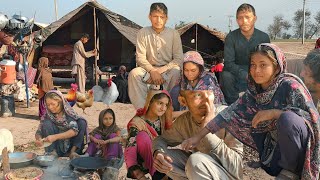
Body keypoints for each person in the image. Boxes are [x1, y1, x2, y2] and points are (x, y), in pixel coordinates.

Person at [182, 43, 320, 179]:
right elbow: (228, 114)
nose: (256, 70)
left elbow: (312, 120)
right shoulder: (254, 92)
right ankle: (270, 164)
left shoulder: (290, 86)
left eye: (263, 65)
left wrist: (275, 113)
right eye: (253, 65)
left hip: (300, 155)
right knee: (249, 119)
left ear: (277, 67)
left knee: (288, 119)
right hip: (275, 153)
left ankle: (290, 172)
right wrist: (197, 137)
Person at [153, 90, 243, 179]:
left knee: (196, 162)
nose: (206, 99)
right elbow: (162, 139)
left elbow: (237, 168)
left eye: (209, 92)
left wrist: (207, 131)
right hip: (201, 173)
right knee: (164, 157)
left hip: (227, 175)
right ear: (183, 101)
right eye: (198, 95)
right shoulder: (185, 120)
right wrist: (158, 152)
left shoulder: (229, 117)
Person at [128, 2, 183, 109]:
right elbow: (140, 58)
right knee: (134, 74)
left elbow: (178, 58)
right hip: (148, 71)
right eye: (155, 16)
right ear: (149, 17)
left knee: (176, 71)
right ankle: (143, 110)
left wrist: (160, 71)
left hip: (167, 72)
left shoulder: (174, 34)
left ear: (166, 18)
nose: (158, 20)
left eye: (162, 17)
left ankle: (169, 108)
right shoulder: (142, 32)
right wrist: (152, 71)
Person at [221, 3, 270, 104]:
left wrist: (255, 72)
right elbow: (229, 63)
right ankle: (233, 105)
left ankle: (263, 102)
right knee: (225, 75)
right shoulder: (231, 37)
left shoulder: (264, 37)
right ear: (236, 20)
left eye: (248, 17)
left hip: (257, 70)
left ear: (255, 18)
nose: (244, 21)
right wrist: (244, 74)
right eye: (240, 18)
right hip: (237, 72)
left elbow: (267, 61)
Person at [125, 90, 173, 180]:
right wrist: (134, 170)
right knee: (143, 136)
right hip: (145, 163)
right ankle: (157, 174)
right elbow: (130, 147)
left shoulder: (162, 119)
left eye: (166, 105)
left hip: (161, 156)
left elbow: (173, 115)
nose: (163, 108)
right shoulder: (137, 122)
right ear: (150, 102)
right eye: (160, 103)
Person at [35, 90, 88, 159]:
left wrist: (55, 137)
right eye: (48, 105)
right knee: (46, 123)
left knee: (81, 122)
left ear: (60, 103)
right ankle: (52, 153)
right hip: (57, 147)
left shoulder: (68, 113)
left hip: (71, 144)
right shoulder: (47, 115)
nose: (50, 107)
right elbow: (39, 132)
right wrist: (39, 140)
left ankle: (73, 152)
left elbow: (74, 131)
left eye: (53, 104)